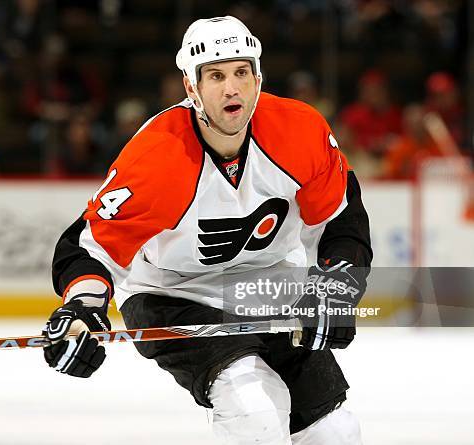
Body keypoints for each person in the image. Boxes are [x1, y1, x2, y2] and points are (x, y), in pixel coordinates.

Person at [43, 16, 372, 445]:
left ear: (258, 77)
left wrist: (335, 285)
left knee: (336, 431)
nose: (231, 88)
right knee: (254, 407)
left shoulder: (301, 130)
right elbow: (88, 246)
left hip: (270, 285)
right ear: (191, 87)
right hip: (175, 293)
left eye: (241, 72)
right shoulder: (158, 156)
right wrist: (82, 309)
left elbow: (341, 220)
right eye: (215, 76)